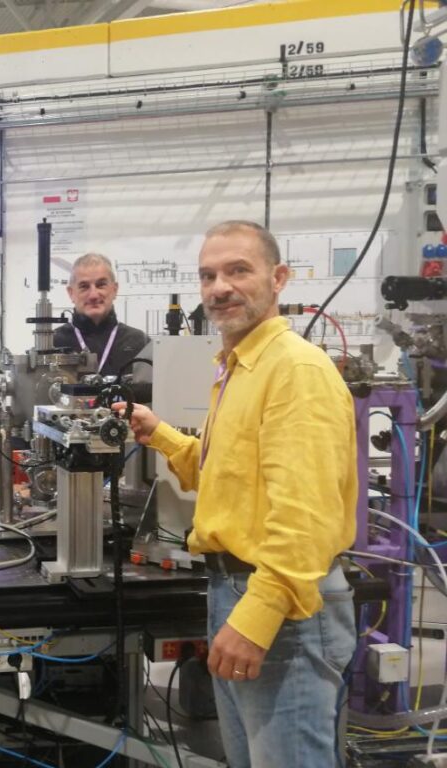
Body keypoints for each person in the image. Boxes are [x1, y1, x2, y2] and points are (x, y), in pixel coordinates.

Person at [120, 221, 357, 768]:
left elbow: (305, 519)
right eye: (208, 275)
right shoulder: (239, 367)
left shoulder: (294, 370)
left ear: (278, 279)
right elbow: (227, 474)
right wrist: (159, 433)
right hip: (238, 588)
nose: (219, 287)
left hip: (284, 603)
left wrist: (256, 617)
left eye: (237, 271)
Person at [53, 252, 148, 377]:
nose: (93, 295)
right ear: (71, 293)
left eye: (101, 285)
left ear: (114, 289)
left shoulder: (139, 342)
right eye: (84, 286)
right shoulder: (54, 343)